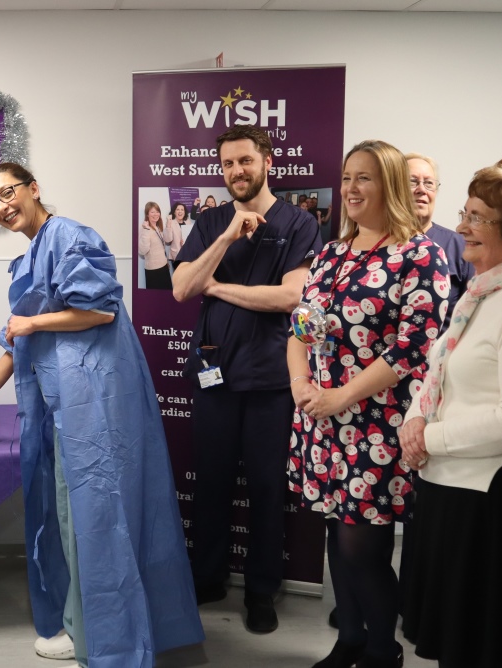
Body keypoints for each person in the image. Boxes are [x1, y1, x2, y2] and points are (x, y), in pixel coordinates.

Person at [0, 162, 203, 668]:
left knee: (101, 519)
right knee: (73, 521)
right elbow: (14, 344)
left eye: (7, 193)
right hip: (64, 407)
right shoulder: (33, 255)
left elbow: (101, 310)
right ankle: (87, 629)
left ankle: (115, 642)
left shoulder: (68, 236)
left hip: (97, 408)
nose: (1, 207)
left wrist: (33, 320)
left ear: (34, 189)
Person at [399, 156, 502, 667]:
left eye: (479, 218)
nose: (463, 226)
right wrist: (414, 419)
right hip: (452, 489)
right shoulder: (479, 297)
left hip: (492, 505)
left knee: (481, 648)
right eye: (466, 212)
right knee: (454, 644)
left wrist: (430, 439)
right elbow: (438, 373)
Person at [287, 139, 448, 668]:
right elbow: (302, 328)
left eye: (365, 178)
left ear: (391, 186)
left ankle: (383, 650)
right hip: (321, 418)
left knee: (366, 549)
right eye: (347, 177)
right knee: (336, 532)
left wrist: (340, 396)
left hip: (375, 426)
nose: (351, 189)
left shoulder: (420, 255)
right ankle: (350, 639)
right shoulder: (333, 252)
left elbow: (414, 348)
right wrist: (301, 385)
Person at [171, 124, 319, 633]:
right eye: (229, 163)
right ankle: (207, 577)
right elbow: (181, 289)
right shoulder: (210, 220)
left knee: (264, 489)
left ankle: (261, 590)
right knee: (209, 483)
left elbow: (291, 297)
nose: (237, 171)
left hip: (271, 382)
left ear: (267, 162)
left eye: (246, 161)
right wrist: (228, 238)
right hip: (214, 377)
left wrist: (217, 287)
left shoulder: (298, 223)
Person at [407, 153, 474, 314]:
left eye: (429, 183)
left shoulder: (459, 245)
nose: (421, 189)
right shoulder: (378, 243)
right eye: (412, 182)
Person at [138, 200, 173, 289]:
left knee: (167, 296)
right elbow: (142, 251)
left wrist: (168, 225)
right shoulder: (144, 229)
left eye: (157, 212)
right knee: (155, 299)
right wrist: (146, 230)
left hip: (164, 267)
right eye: (152, 212)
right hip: (153, 270)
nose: (155, 214)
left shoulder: (158, 227)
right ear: (147, 214)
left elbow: (168, 240)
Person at [167, 201, 187, 267]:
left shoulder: (188, 223)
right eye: (177, 209)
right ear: (174, 212)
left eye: (182, 210)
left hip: (187, 256)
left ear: (184, 212)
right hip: (176, 256)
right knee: (178, 277)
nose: (180, 211)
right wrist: (168, 225)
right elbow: (168, 240)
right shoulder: (170, 223)